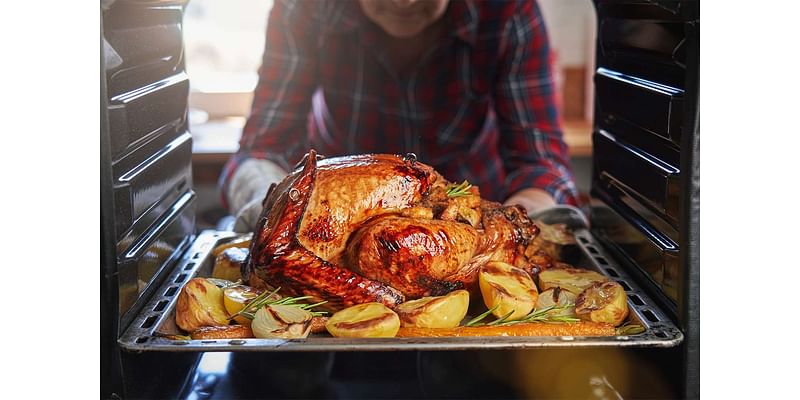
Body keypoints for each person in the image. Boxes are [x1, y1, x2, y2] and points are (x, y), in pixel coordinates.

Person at [220, 0, 581, 232]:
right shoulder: (304, 8)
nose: (402, 1)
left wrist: (516, 224)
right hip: (331, 221)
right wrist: (271, 209)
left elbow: (540, 163)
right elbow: (262, 150)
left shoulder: (508, 10)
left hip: (474, 221)